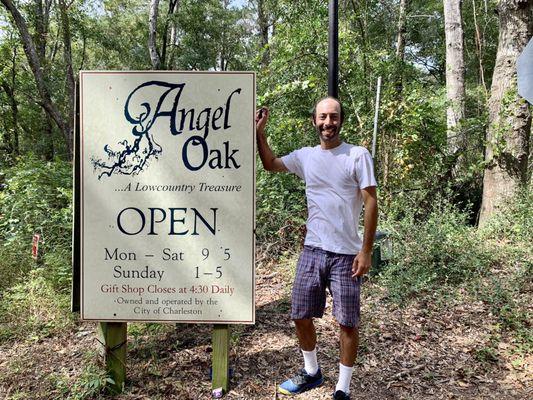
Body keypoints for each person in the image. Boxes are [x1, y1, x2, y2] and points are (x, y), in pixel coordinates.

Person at [255, 97, 378, 400]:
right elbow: (270, 165)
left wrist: (366, 250)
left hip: (346, 253)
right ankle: (312, 372)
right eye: (322, 117)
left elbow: (371, 202)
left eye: (333, 117)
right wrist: (259, 132)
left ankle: (343, 388)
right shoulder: (305, 156)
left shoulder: (357, 155)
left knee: (347, 321)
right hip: (313, 249)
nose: (328, 123)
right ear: (314, 121)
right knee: (299, 313)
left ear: (341, 121)